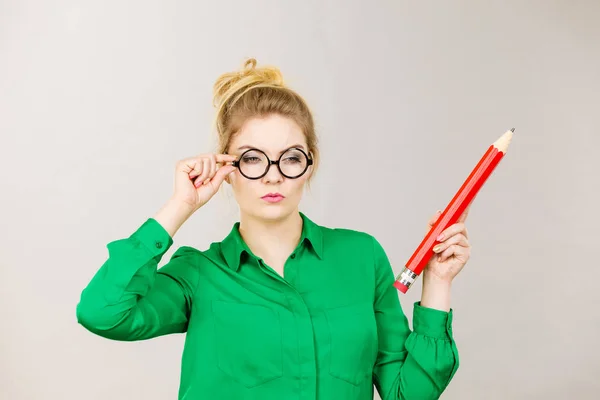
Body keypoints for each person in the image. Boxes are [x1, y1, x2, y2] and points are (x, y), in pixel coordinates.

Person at [76, 58, 472, 400]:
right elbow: (103, 313)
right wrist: (180, 206)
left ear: (309, 165)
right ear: (228, 169)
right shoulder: (198, 274)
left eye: (290, 158)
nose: (273, 176)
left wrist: (437, 281)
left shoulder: (361, 256)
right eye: (252, 159)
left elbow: (409, 394)